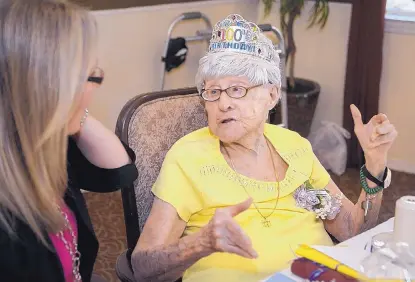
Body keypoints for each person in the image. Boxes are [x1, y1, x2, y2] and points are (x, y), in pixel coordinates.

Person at [131, 14, 397, 282]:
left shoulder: (294, 147)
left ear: (271, 95)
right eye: (212, 92)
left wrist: (375, 163)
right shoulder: (188, 158)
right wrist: (199, 244)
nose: (223, 104)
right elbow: (143, 268)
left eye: (236, 89)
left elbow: (351, 229)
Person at [0, 1, 138, 281]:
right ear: (45, 86)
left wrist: (72, 113)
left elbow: (119, 172)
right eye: (90, 76)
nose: (96, 86)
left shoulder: (48, 146)